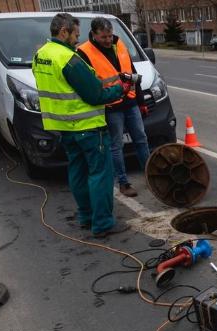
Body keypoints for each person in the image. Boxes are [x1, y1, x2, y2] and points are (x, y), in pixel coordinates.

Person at [32, 13, 131, 238]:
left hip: (63, 126)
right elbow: (94, 94)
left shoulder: (41, 55)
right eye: (75, 34)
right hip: (87, 126)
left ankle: (86, 216)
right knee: (100, 174)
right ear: (64, 32)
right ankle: (103, 223)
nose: (77, 39)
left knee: (77, 171)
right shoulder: (69, 58)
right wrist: (120, 89)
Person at [76, 17, 150, 198]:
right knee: (116, 145)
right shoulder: (84, 52)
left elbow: (132, 74)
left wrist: (140, 102)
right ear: (94, 35)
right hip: (111, 105)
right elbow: (89, 83)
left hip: (130, 102)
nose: (108, 40)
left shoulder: (119, 44)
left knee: (141, 138)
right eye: (103, 37)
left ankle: (150, 175)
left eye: (110, 36)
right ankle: (124, 183)